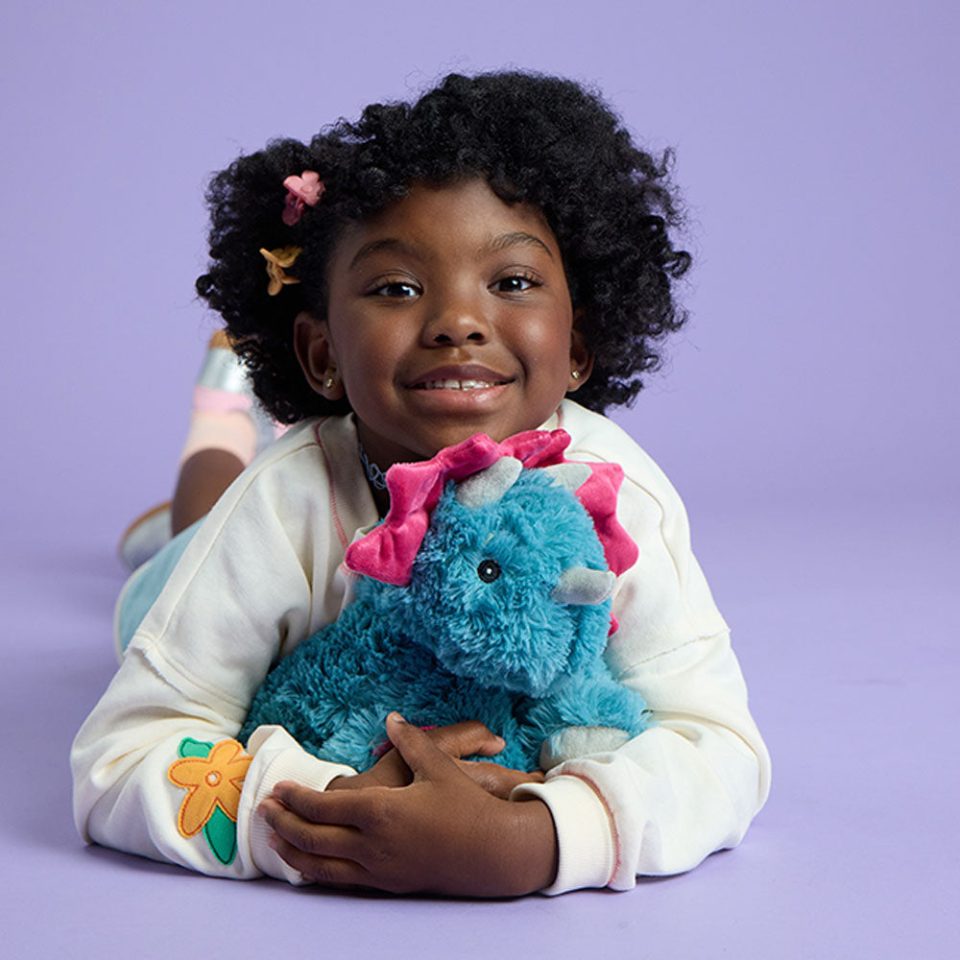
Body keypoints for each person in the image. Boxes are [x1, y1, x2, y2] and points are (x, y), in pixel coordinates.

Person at [72, 70, 771, 896]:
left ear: (578, 347)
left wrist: (542, 838)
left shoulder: (619, 496)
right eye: (397, 288)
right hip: (184, 577)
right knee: (201, 517)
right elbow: (120, 757)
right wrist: (324, 811)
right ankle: (218, 422)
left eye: (512, 282)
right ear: (323, 355)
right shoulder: (280, 505)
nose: (457, 322)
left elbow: (719, 749)